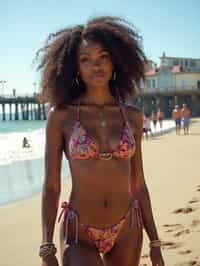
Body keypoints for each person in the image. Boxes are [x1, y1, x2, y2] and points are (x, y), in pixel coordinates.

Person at [36, 16, 164, 266]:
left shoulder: (133, 117)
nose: (96, 66)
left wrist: (155, 242)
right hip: (79, 231)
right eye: (86, 60)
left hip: (128, 227)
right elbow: (51, 186)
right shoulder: (61, 116)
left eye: (103, 57)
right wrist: (46, 246)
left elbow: (138, 183)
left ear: (115, 60)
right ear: (76, 68)